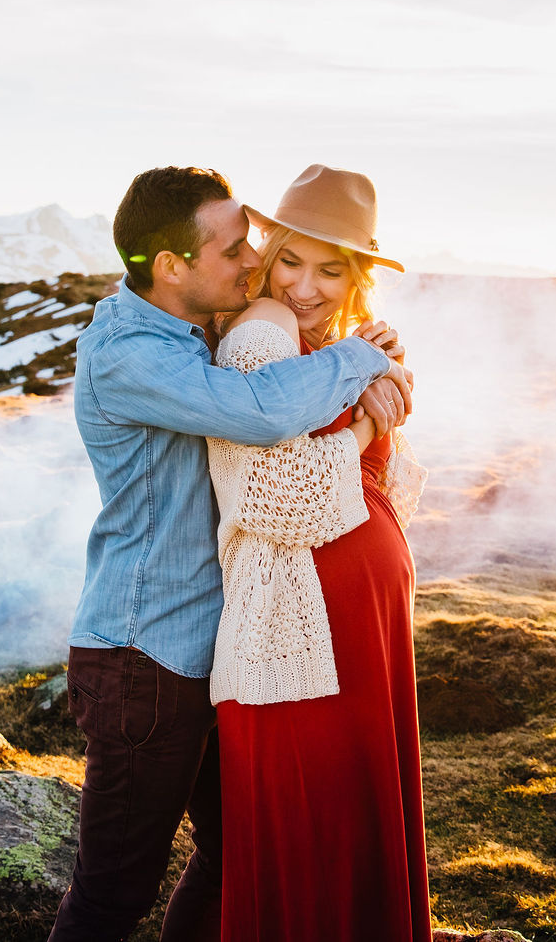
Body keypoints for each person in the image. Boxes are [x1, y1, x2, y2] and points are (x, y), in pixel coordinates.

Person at [48, 166, 416, 942]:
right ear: (171, 266)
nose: (250, 261)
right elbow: (257, 413)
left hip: (206, 649)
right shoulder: (130, 353)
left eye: (254, 241)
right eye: (235, 247)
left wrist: (359, 359)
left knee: (231, 855)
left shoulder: (192, 328)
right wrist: (363, 369)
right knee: (113, 893)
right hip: (144, 656)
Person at [204, 163, 430, 942]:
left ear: (356, 275)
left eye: (331, 270)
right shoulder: (262, 330)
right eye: (292, 259)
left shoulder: (326, 343)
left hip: (350, 630)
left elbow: (368, 481)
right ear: (268, 251)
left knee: (349, 820)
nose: (305, 285)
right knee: (318, 834)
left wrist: (381, 376)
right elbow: (280, 495)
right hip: (297, 637)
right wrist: (370, 421)